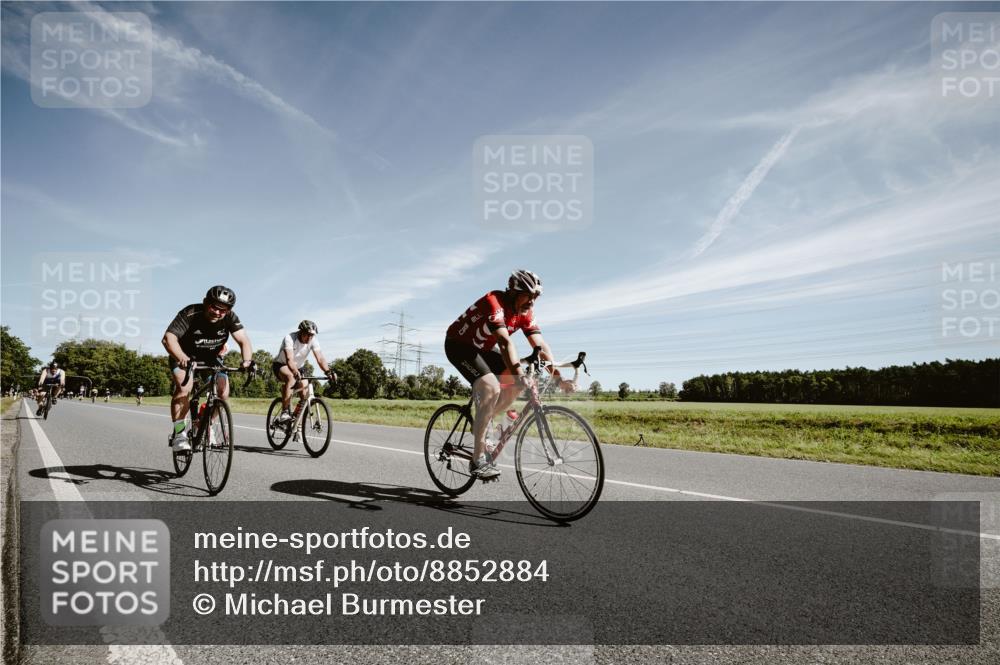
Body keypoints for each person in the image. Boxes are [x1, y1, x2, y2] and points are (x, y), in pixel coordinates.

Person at [444, 270, 575, 480]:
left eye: (536, 298)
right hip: (459, 345)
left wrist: (559, 378)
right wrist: (518, 372)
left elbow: (540, 346)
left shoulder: (524, 313)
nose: (532, 302)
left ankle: (483, 425)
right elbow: (505, 343)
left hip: (484, 349)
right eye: (528, 296)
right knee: (491, 387)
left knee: (517, 384)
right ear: (514, 293)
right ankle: (477, 461)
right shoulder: (493, 302)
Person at [162, 285, 255, 452]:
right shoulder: (191, 313)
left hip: (211, 359)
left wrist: (247, 361)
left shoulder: (230, 317)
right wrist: (181, 357)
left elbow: (244, 340)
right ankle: (179, 435)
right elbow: (168, 339)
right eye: (214, 307)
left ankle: (203, 424)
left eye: (223, 310)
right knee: (184, 388)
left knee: (223, 393)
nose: (218, 313)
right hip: (184, 356)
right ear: (206, 303)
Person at [272, 320, 336, 423]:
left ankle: (296, 423)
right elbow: (289, 360)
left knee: (305, 394)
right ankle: (285, 412)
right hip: (282, 365)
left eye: (312, 335)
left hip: (299, 367)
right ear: (301, 332)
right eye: (307, 334)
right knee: (290, 377)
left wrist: (328, 371)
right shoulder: (290, 338)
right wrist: (294, 371)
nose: (310, 337)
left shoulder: (313, 340)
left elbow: (320, 358)